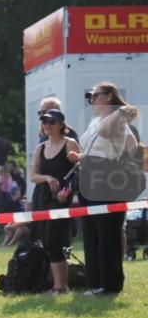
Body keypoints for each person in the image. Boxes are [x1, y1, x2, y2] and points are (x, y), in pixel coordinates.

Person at [76, 81, 140, 295]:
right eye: (90, 96)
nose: (92, 100)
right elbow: (88, 145)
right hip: (87, 174)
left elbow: (127, 145)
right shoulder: (94, 120)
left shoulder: (117, 119)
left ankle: (110, 285)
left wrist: (119, 111)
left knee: (107, 235)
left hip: (106, 176)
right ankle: (94, 282)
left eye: (95, 95)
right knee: (91, 234)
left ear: (110, 95)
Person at [30, 109, 81, 293]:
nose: (47, 126)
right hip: (43, 198)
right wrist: (47, 178)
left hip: (60, 199)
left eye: (51, 122)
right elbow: (33, 176)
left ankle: (61, 286)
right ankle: (56, 284)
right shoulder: (40, 148)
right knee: (46, 241)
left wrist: (67, 191)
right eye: (44, 123)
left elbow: (78, 171)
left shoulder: (70, 143)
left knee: (53, 240)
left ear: (61, 124)